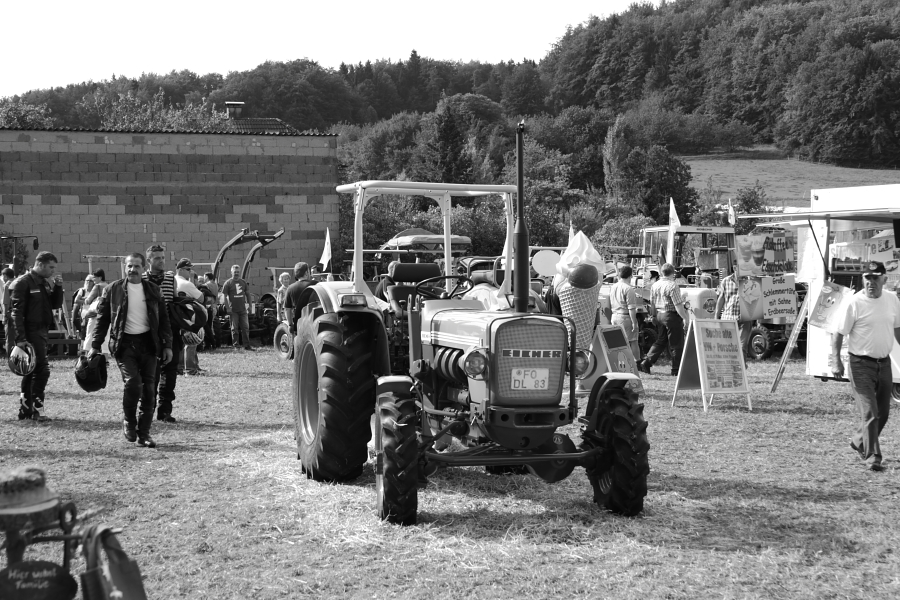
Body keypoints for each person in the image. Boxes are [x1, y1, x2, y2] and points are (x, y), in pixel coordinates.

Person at [89, 252, 173, 448]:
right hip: (124, 344)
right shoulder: (112, 289)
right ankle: (129, 420)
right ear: (124, 268)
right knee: (133, 383)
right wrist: (94, 346)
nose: (132, 269)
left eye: (136, 266)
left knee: (149, 390)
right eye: (129, 266)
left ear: (143, 268)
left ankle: (144, 433)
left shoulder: (153, 290)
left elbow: (164, 320)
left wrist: (167, 345)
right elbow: (102, 320)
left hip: (149, 344)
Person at [832, 261, 900, 472]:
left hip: (884, 363)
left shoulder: (892, 299)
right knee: (870, 412)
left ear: (884, 279)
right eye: (867, 278)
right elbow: (838, 333)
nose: (871, 282)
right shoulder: (854, 302)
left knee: (883, 413)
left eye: (875, 278)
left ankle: (859, 441)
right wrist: (836, 361)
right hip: (860, 365)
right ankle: (873, 457)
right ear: (863, 280)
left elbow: (898, 329)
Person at [9, 251, 64, 421]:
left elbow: (55, 304)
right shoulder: (23, 283)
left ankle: (26, 409)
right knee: (41, 370)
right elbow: (16, 313)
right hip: (30, 331)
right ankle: (35, 409)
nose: (53, 271)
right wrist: (21, 338)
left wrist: (58, 288)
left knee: (32, 370)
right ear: (40, 265)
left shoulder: (44, 282)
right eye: (51, 267)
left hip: (42, 331)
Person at [143, 244, 182, 423]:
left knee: (170, 372)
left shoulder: (170, 278)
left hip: (169, 331)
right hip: (148, 332)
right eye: (157, 258)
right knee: (151, 373)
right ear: (149, 260)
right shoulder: (142, 279)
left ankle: (165, 410)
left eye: (163, 257)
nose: (161, 261)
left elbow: (174, 302)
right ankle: (148, 409)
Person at [639, 262, 689, 377]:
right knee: (676, 344)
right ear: (673, 273)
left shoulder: (655, 285)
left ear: (662, 272)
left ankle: (646, 362)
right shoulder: (673, 285)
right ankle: (676, 370)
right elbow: (678, 305)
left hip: (659, 314)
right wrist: (685, 318)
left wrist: (653, 316)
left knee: (661, 341)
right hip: (671, 316)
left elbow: (652, 303)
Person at [714, 255, 752, 362]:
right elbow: (721, 299)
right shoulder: (725, 281)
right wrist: (716, 316)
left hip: (745, 319)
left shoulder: (750, 281)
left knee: (742, 346)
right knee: (728, 347)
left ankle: (741, 368)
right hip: (728, 319)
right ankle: (730, 367)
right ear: (735, 268)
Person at [174, 259, 204, 375]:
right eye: (188, 269)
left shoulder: (173, 281)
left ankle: (181, 368)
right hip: (188, 315)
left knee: (180, 343)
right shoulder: (186, 284)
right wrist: (192, 281)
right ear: (180, 270)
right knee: (191, 342)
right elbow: (201, 298)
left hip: (175, 316)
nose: (190, 271)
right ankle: (191, 369)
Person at [610, 265, 641, 360]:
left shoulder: (613, 286)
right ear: (630, 276)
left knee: (618, 344)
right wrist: (634, 323)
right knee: (633, 341)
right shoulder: (629, 289)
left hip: (614, 316)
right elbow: (631, 308)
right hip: (625, 317)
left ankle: (619, 363)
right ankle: (637, 363)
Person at [222, 264, 252, 351]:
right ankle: (236, 345)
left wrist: (250, 306)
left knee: (245, 328)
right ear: (231, 272)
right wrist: (228, 308)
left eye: (238, 272)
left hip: (243, 310)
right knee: (234, 328)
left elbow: (248, 295)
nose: (236, 273)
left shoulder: (243, 282)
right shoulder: (228, 283)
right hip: (233, 310)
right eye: (235, 272)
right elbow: (224, 297)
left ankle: (247, 345)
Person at [284, 262, 314, 337]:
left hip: (298, 325)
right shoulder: (316, 284)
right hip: (314, 323)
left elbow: (287, 309)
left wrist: (290, 324)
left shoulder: (290, 288)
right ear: (306, 272)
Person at [80, 269, 107, 353]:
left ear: (100, 277)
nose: (93, 279)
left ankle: (87, 355)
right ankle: (105, 357)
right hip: (105, 315)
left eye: (94, 277)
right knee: (105, 336)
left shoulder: (97, 286)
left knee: (90, 334)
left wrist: (85, 299)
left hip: (95, 314)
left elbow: (88, 301)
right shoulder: (108, 286)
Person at [200, 272, 220, 350]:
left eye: (204, 277)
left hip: (209, 306)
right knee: (211, 325)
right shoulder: (215, 284)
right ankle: (215, 343)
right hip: (215, 306)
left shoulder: (207, 285)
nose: (204, 279)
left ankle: (211, 343)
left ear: (207, 277)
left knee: (209, 327)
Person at [1, 267, 15, 356]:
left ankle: (10, 357)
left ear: (5, 276)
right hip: (20, 313)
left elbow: (6, 303)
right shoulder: (19, 282)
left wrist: (4, 316)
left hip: (10, 313)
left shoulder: (7, 285)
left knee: (9, 338)